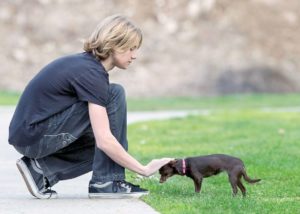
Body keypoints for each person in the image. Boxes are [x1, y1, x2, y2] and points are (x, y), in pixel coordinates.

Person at [8, 15, 172, 199]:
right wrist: (143, 169)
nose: (134, 55)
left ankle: (39, 170)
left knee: (109, 141)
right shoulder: (92, 73)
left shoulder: (88, 67)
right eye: (131, 48)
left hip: (31, 137)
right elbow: (104, 140)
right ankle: (107, 182)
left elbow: (104, 143)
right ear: (114, 45)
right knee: (114, 95)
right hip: (34, 136)